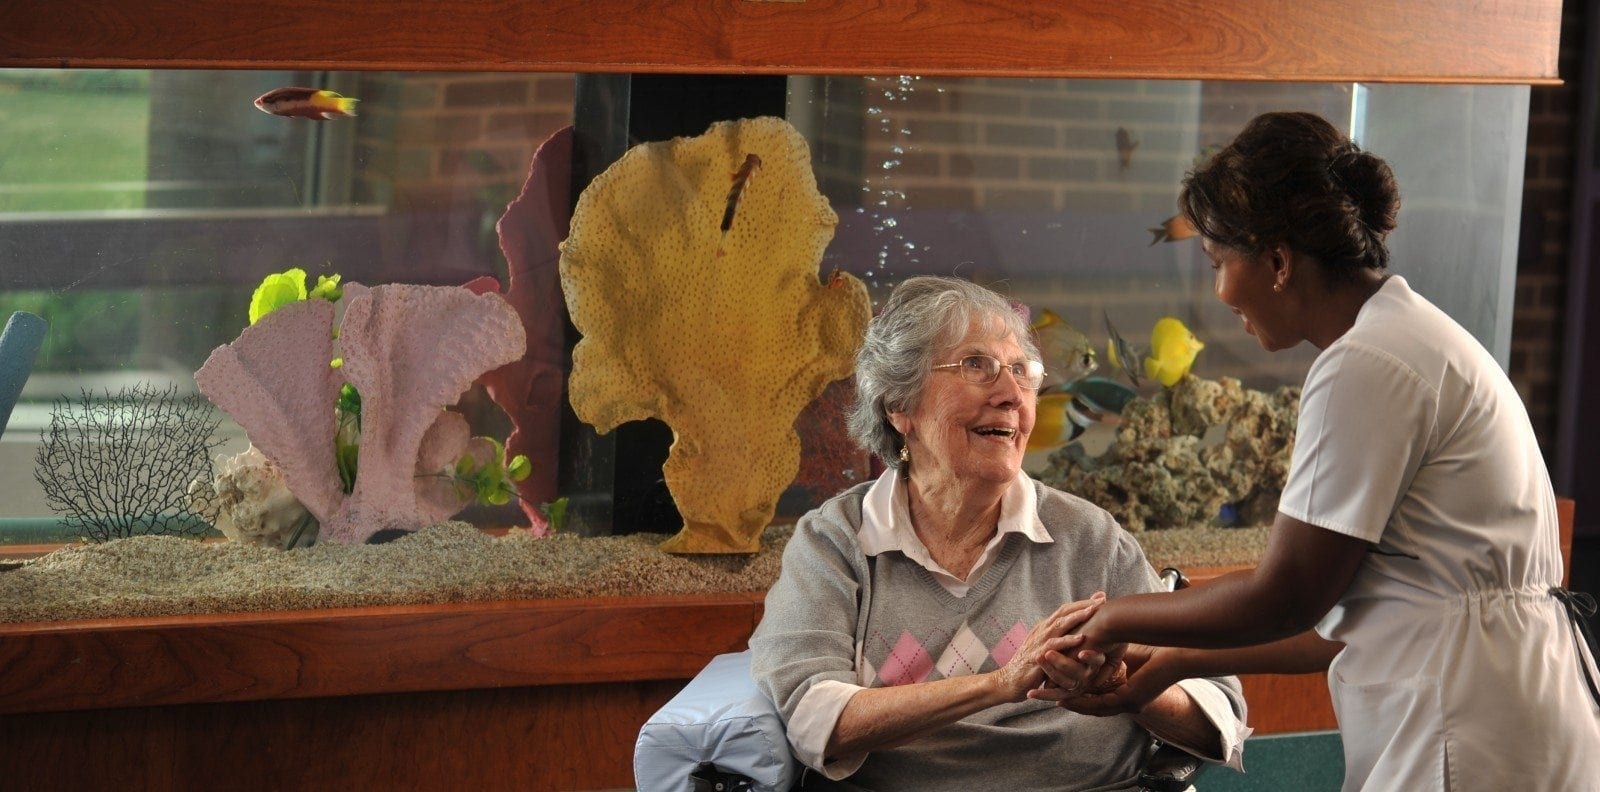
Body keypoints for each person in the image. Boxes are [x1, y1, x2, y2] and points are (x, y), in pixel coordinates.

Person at [1035, 111, 1600, 791]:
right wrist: (1175, 660)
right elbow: (1331, 623)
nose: (1219, 296)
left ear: (1277, 261)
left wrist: (1113, 617)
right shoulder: (1403, 339)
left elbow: (1288, 594)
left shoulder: (1365, 364)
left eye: (1219, 265)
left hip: (1469, 724)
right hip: (1503, 704)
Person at [749, 276, 1249, 790]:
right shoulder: (836, 541)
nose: (1012, 395)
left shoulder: (1088, 536)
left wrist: (1127, 686)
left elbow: (1221, 716)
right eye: (976, 366)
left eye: (1022, 371)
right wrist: (1001, 685)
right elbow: (812, 720)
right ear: (900, 405)